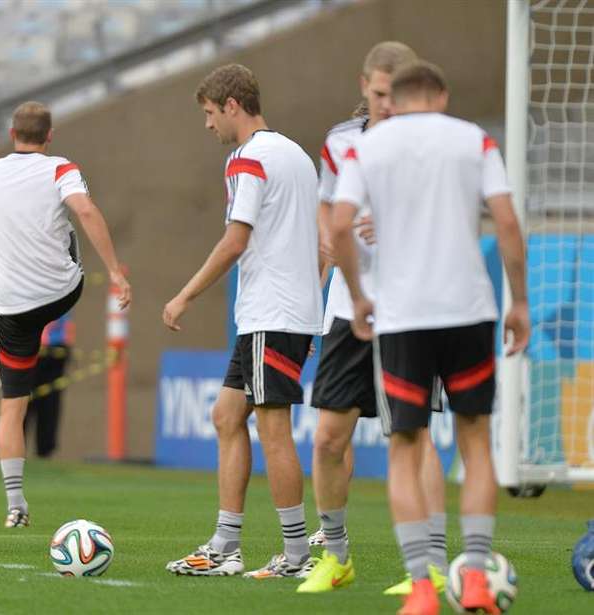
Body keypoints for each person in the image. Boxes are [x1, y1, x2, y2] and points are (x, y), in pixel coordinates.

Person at [331, 61, 529, 615]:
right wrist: (520, 301)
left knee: (405, 448)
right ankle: (474, 578)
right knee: (475, 442)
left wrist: (358, 293)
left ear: (394, 97)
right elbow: (507, 222)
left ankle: (421, 588)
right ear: (441, 96)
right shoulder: (475, 139)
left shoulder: (365, 149)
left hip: (402, 317)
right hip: (467, 310)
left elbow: (340, 223)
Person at [298, 42, 448, 596]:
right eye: (379, 92)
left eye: (396, 92)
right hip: (345, 309)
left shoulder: (437, 144)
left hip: (410, 308)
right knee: (328, 439)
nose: (387, 103)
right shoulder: (339, 142)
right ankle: (335, 557)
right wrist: (327, 249)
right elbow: (325, 206)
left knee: (412, 437)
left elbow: (453, 219)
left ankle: (430, 565)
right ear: (364, 85)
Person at [163, 64, 323, 578]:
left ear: (232, 105)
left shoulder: (247, 158)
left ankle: (296, 556)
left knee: (274, 431)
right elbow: (321, 243)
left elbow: (237, 239)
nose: (208, 125)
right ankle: (225, 545)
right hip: (286, 312)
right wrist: (310, 313)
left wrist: (183, 296)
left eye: (210, 113)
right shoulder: (298, 155)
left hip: (269, 314)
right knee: (227, 417)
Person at [0, 101, 131, 529]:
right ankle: (16, 503)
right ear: (49, 136)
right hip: (60, 292)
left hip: (8, 306)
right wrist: (115, 271)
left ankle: (14, 505)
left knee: (12, 407)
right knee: (67, 235)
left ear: (10, 134)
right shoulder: (61, 168)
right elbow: (82, 209)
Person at [25, 313, 76, 457]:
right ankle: (15, 451)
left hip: (54, 347)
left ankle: (45, 451)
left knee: (50, 401)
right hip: (28, 344)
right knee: (20, 400)